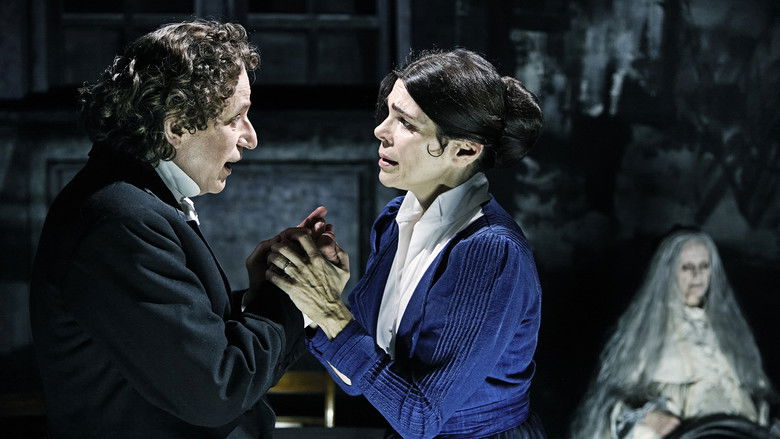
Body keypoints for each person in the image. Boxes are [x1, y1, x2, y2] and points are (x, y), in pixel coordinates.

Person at [29, 20, 321, 438]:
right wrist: (289, 294)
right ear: (177, 126)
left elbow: (178, 342)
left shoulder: (134, 202)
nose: (251, 137)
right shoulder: (121, 219)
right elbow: (217, 390)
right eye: (236, 118)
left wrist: (261, 294)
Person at [266, 49, 546, 438]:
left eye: (406, 123)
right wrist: (317, 299)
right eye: (388, 113)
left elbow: (419, 417)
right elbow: (361, 381)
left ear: (464, 150)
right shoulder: (395, 220)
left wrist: (329, 311)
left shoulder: (490, 252)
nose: (381, 131)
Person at [569, 231, 777, 439]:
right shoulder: (649, 332)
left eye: (704, 266)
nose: (697, 274)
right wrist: (649, 417)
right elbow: (615, 403)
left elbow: (757, 392)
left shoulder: (728, 329)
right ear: (670, 271)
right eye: (687, 267)